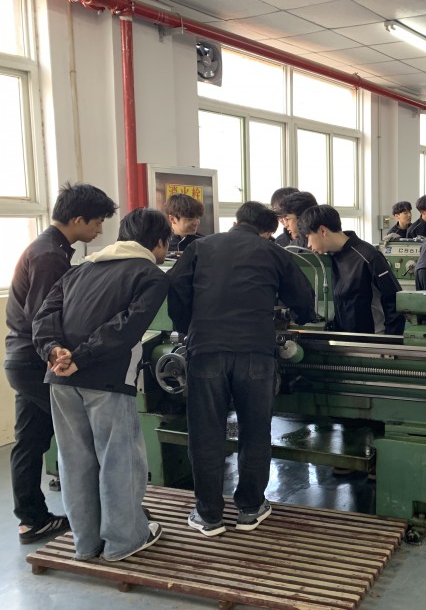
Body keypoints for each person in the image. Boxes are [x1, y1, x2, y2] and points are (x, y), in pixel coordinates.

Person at [167, 201, 317, 537]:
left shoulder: (199, 248)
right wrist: (302, 317)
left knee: (206, 433)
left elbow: (175, 287)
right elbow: (303, 298)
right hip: (255, 352)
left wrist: (186, 327)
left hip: (206, 350)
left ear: (236, 222)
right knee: (255, 430)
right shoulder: (273, 252)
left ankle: (208, 515)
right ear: (267, 231)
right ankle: (250, 508)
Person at [31, 208, 170, 561]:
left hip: (60, 378)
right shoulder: (150, 275)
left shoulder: (80, 269)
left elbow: (44, 316)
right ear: (158, 243)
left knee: (73, 460)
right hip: (107, 380)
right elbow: (127, 327)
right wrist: (82, 357)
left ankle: (86, 543)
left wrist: (54, 351)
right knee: (118, 458)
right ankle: (124, 540)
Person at [5, 182, 117, 545]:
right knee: (83, 436)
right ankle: (108, 517)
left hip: (21, 359)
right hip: (37, 361)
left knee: (30, 440)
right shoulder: (50, 256)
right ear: (79, 219)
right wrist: (67, 357)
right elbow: (45, 316)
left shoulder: (47, 248)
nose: (99, 230)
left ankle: (32, 520)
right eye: (97, 222)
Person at [300, 204, 405, 336]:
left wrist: (391, 340)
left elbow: (394, 300)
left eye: (308, 237)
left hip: (371, 340)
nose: (308, 245)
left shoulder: (369, 257)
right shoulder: (331, 257)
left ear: (323, 231)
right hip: (345, 338)